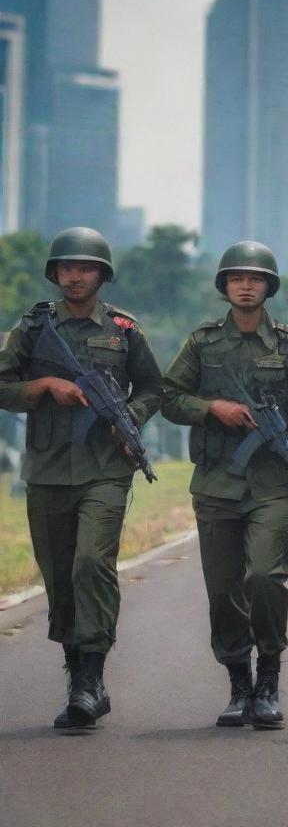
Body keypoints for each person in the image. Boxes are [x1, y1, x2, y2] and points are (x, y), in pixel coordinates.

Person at [0, 227, 163, 729]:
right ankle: (77, 676)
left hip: (105, 470)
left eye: (85, 268)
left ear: (101, 274)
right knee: (60, 575)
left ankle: (92, 679)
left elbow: (154, 387)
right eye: (67, 268)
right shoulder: (32, 329)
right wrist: (46, 385)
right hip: (48, 470)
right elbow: (3, 386)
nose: (75, 275)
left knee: (91, 562)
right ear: (55, 274)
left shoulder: (124, 330)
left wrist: (127, 418)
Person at [162, 241, 288, 730]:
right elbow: (168, 396)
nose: (246, 285)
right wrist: (212, 408)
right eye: (237, 278)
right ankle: (238, 684)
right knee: (224, 589)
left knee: (265, 577)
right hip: (214, 481)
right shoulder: (202, 343)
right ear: (225, 286)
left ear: (268, 286)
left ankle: (268, 678)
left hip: (272, 481)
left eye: (255, 278)